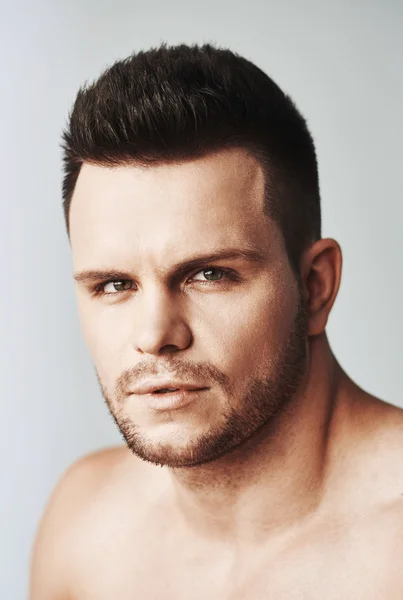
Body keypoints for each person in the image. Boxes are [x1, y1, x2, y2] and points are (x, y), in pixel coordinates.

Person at [30, 42, 403, 599]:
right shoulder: (85, 526)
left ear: (316, 287)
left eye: (209, 275)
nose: (155, 335)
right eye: (115, 285)